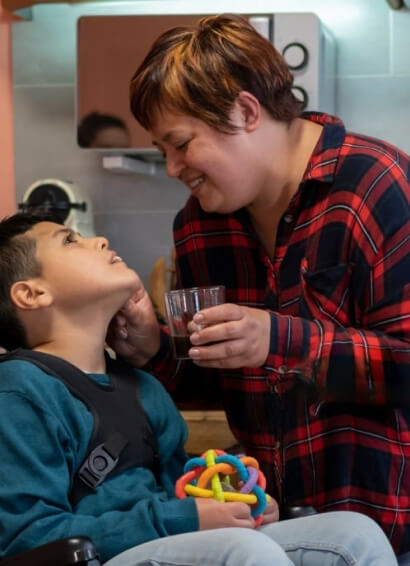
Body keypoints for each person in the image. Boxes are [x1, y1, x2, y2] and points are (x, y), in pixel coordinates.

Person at [112, 12, 409, 562]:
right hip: (269, 535)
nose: (173, 167)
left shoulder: (376, 185)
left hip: (389, 533)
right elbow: (208, 380)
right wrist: (154, 349)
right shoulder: (198, 225)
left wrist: (279, 339)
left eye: (180, 144)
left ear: (246, 111)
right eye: (161, 150)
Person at [0, 211, 399, 566]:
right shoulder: (21, 392)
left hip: (165, 542)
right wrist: (186, 518)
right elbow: (27, 538)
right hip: (103, 554)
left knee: (354, 534)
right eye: (70, 241)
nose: (99, 240)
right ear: (31, 294)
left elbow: (178, 489)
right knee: (244, 551)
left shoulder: (143, 387)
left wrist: (233, 500)